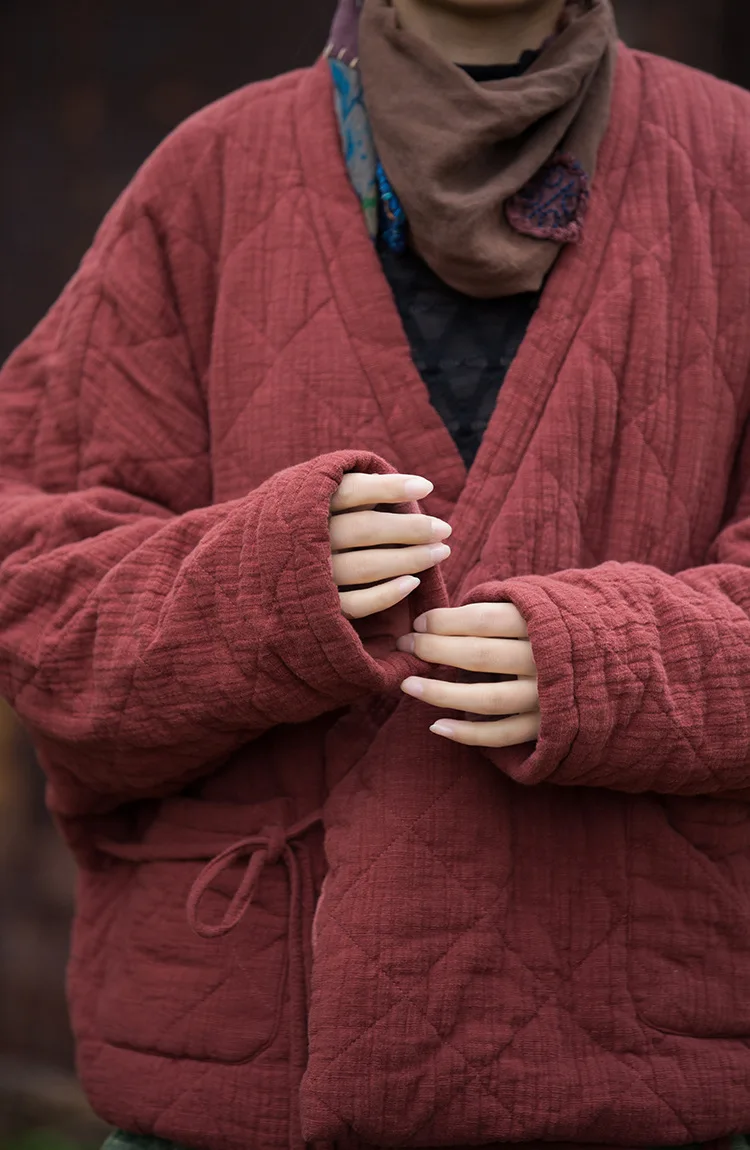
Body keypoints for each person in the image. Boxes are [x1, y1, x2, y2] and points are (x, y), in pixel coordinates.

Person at [1, 0, 750, 1148]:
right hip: (239, 1074)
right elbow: (36, 588)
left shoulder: (735, 164)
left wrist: (613, 667)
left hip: (661, 1060)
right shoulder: (208, 176)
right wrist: (261, 588)